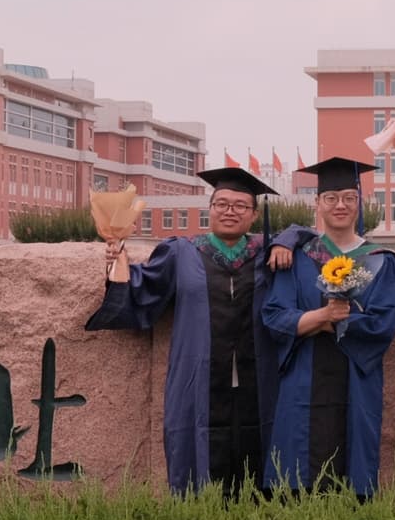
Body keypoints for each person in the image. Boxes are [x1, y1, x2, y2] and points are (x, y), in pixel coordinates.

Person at [84, 165, 281, 497]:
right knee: (196, 453)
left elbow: (309, 242)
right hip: (198, 379)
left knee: (260, 454)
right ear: (210, 209)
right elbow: (143, 288)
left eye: (240, 206)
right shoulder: (182, 252)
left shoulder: (269, 253)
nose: (230, 211)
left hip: (259, 381)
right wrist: (117, 259)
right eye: (222, 204)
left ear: (254, 214)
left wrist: (288, 239)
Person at [262, 156, 395, 496]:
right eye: (331, 198)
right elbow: (274, 316)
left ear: (359, 203)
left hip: (356, 378)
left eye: (349, 198)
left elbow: (383, 324)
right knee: (296, 473)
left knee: (353, 468)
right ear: (318, 204)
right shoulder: (295, 256)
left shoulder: (381, 260)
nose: (340, 205)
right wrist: (322, 317)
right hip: (303, 378)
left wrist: (327, 322)